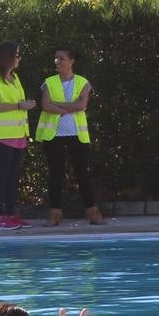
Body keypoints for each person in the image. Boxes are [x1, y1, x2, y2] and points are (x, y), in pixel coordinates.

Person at [36, 47, 105, 226]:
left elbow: (82, 105)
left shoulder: (83, 82)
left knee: (82, 174)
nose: (57, 62)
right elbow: (46, 105)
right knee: (55, 174)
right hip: (54, 135)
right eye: (56, 58)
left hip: (76, 134)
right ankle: (55, 214)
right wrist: (69, 107)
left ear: (71, 61)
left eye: (61, 59)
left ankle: (93, 213)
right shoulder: (48, 82)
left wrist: (58, 105)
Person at [0, 41, 37, 229]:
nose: (19, 58)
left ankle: (11, 215)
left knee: (12, 177)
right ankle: (1, 217)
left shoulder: (15, 79)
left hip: (17, 135)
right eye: (17, 55)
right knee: (2, 176)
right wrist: (18, 106)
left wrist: (26, 104)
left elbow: (18, 103)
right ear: (8, 57)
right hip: (2, 136)